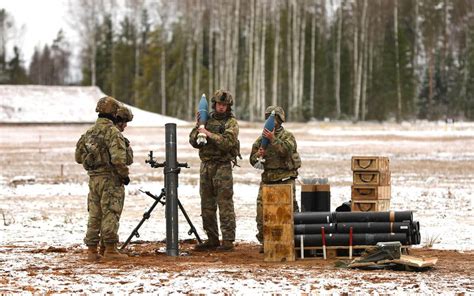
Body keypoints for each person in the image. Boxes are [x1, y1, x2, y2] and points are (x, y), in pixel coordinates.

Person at [75, 96, 131, 261]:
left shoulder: (89, 133)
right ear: (114, 114)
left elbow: (78, 157)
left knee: (95, 213)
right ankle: (110, 249)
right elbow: (119, 160)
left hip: (94, 180)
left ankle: (92, 250)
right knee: (111, 212)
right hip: (110, 180)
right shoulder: (113, 133)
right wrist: (124, 175)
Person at [189, 89, 240, 251]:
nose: (221, 107)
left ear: (228, 106)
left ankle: (228, 240)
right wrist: (198, 127)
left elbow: (228, 143)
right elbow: (193, 141)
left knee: (225, 204)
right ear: (214, 104)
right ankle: (212, 238)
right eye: (219, 104)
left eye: (224, 105)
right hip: (206, 166)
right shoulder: (206, 119)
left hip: (222, 167)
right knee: (207, 204)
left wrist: (208, 134)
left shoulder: (231, 123)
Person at [249, 106, 301, 253]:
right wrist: (259, 155)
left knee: (288, 213)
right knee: (262, 213)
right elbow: (252, 160)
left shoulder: (288, 136)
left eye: (275, 119)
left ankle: (291, 241)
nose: (272, 122)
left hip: (285, 180)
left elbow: (286, 151)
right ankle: (266, 241)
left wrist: (273, 139)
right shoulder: (260, 140)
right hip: (267, 180)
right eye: (270, 119)